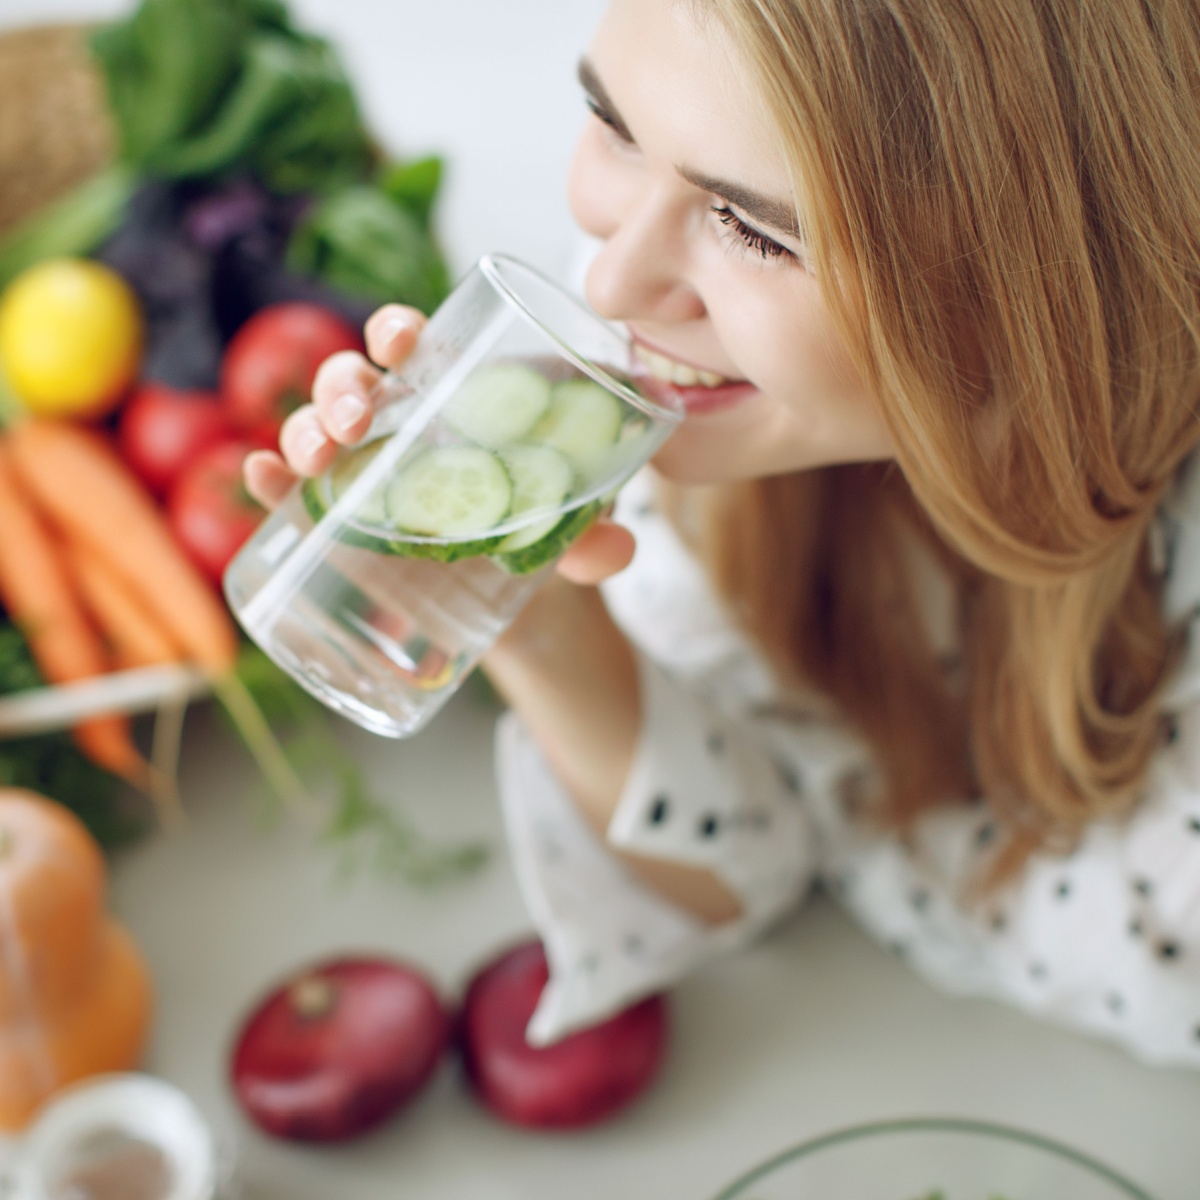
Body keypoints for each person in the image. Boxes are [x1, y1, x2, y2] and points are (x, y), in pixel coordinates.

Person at [246, 0, 1200, 1066]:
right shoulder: (688, 372)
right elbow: (754, 864)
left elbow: (1143, 974)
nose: (609, 281)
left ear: (1050, 289)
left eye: (751, 228)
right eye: (614, 125)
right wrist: (533, 614)